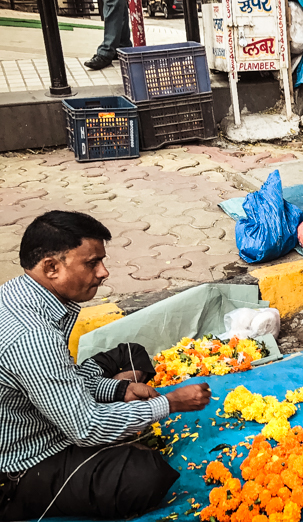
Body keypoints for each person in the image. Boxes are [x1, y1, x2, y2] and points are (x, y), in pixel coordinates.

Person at [0, 211, 211, 520]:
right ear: (52, 267)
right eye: (91, 263)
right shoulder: (33, 336)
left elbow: (61, 378)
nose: (104, 273)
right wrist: (170, 403)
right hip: (27, 462)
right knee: (144, 476)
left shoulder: (17, 294)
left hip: (46, 407)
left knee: (130, 353)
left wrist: (119, 388)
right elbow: (86, 427)